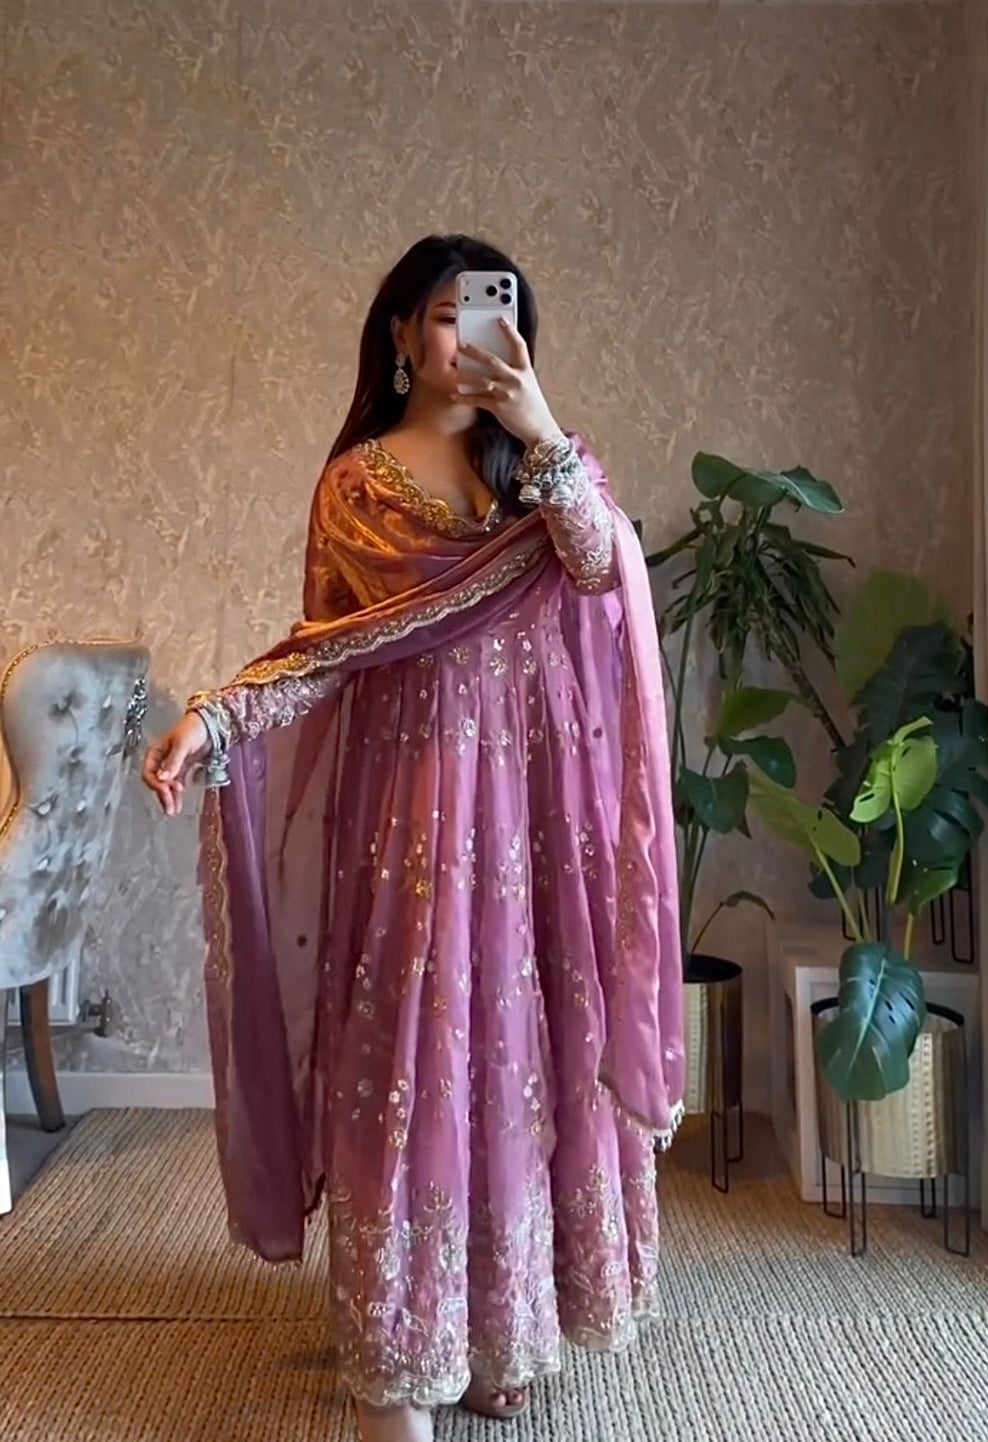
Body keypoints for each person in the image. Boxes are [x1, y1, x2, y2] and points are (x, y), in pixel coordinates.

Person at [142, 234, 684, 1442]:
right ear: (398, 334)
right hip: (415, 825)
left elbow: (604, 570)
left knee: (524, 1062)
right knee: (411, 1065)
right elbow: (325, 648)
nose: (470, 336)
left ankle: (495, 1330)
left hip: (535, 827)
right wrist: (213, 717)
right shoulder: (357, 485)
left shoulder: (542, 470)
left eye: (494, 316)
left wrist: (537, 425)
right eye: (446, 315)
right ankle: (399, 1359)